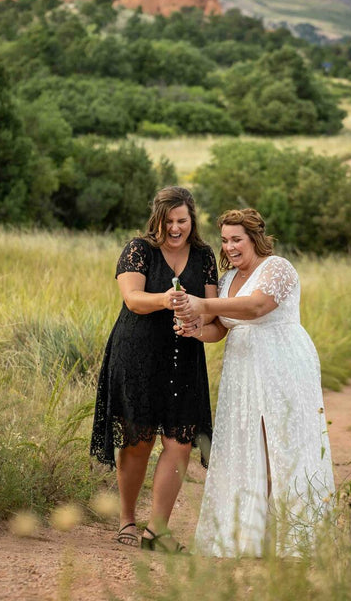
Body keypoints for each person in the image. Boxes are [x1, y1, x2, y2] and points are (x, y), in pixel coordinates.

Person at [175, 208, 335, 558]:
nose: (230, 247)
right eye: (225, 240)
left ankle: (295, 540)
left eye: (237, 239)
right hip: (242, 370)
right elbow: (220, 327)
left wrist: (201, 302)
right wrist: (194, 329)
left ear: (255, 238)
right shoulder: (229, 277)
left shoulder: (278, 268)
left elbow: (257, 307)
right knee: (247, 444)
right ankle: (249, 538)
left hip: (283, 363)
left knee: (282, 443)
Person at [90, 186, 218, 553]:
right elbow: (132, 299)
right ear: (157, 220)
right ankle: (127, 520)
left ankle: (157, 531)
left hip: (184, 356)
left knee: (179, 443)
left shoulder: (205, 256)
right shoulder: (139, 249)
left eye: (182, 220)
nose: (175, 228)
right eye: (168, 221)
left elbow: (213, 309)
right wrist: (164, 299)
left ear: (192, 219)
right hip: (138, 354)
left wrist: (198, 323)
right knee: (139, 440)